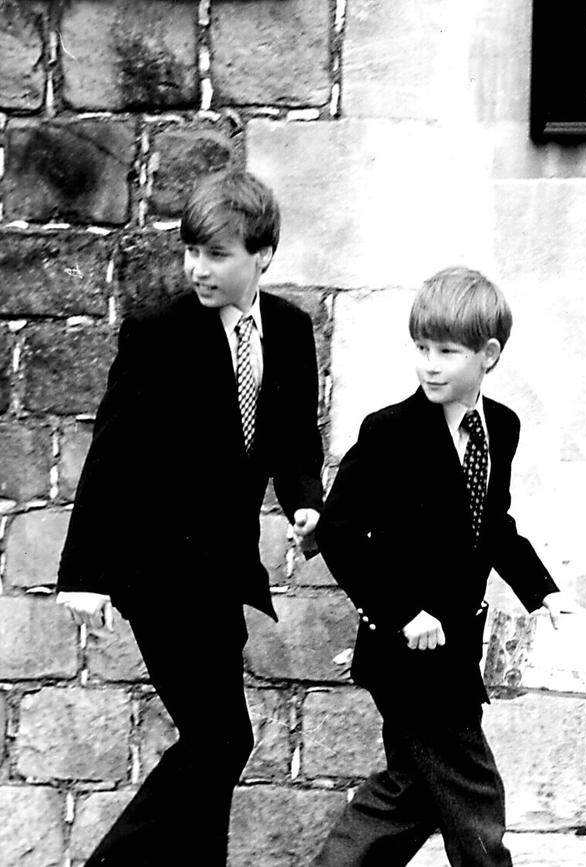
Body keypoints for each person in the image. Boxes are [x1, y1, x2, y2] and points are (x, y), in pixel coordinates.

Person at [56, 170, 323, 866]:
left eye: (216, 254)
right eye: (189, 251)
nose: (196, 268)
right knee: (223, 738)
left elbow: (294, 436)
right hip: (159, 570)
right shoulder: (159, 332)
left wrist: (304, 500)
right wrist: (83, 573)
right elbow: (110, 451)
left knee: (216, 745)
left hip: (223, 574)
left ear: (262, 255)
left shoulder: (292, 329)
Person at [313, 267, 564, 866]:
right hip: (407, 655)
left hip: (455, 651)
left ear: (489, 355)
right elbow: (338, 534)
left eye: (447, 352)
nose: (429, 364)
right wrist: (403, 612)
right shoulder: (389, 433)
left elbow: (492, 525)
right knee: (475, 796)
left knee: (410, 795)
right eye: (421, 348)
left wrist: (544, 594)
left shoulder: (500, 427)